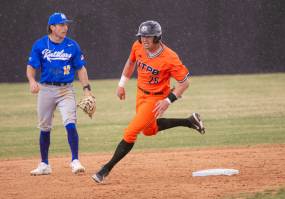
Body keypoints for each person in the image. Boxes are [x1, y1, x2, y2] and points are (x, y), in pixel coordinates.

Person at [92, 20, 205, 183]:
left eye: (148, 36)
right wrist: (121, 84)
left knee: (131, 132)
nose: (144, 39)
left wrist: (168, 100)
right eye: (142, 36)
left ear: (157, 37)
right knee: (148, 131)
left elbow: (184, 83)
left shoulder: (170, 57)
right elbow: (131, 62)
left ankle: (105, 169)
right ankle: (189, 121)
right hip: (140, 94)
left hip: (156, 98)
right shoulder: (137, 46)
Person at [27, 12, 93, 175]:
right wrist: (32, 81)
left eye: (66, 24)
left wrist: (87, 90)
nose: (65, 27)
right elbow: (31, 66)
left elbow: (81, 68)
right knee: (44, 127)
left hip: (66, 89)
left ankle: (75, 160)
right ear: (52, 27)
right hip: (46, 89)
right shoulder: (40, 44)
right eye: (62, 24)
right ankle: (44, 164)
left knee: (70, 122)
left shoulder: (72, 45)